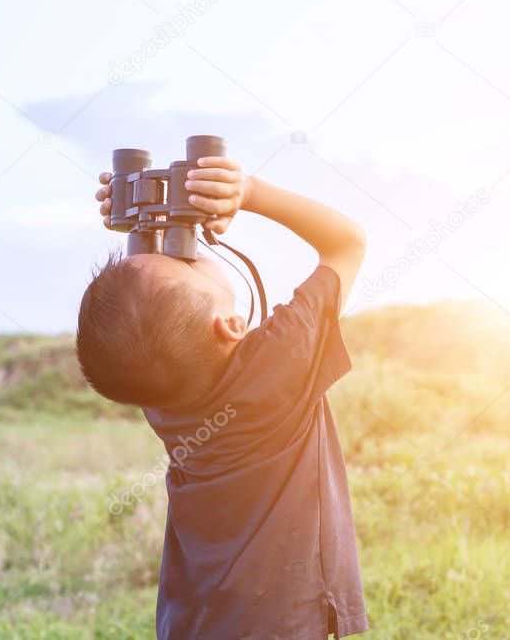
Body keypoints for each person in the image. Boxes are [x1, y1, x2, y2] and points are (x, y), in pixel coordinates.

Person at [77, 155, 368, 639]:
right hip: (287, 624)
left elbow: (144, 317)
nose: (182, 253)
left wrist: (140, 219)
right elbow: (346, 242)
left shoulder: (160, 390)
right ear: (231, 325)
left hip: (195, 622)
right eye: (184, 258)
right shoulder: (277, 367)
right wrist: (249, 193)